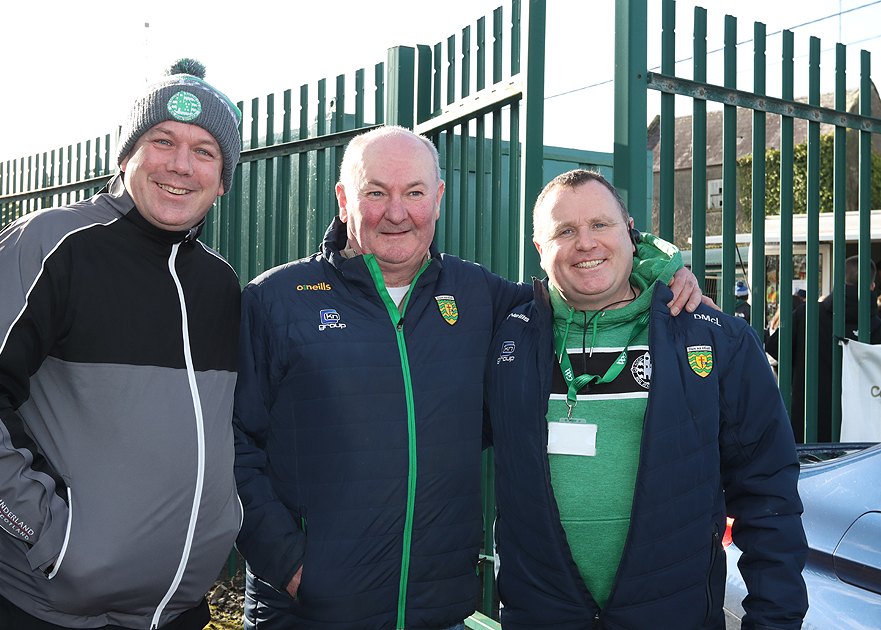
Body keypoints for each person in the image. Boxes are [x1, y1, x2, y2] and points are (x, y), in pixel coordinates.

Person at [231, 126, 708, 630]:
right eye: (376, 193)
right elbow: (230, 446)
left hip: (438, 611)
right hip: (308, 614)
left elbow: (581, 282)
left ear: (438, 199)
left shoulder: (480, 294)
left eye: (415, 193)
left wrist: (662, 271)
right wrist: (289, 565)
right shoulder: (276, 300)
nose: (397, 212)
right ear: (344, 200)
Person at [0, 59, 244, 630]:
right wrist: (48, 533)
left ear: (223, 179)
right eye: (163, 140)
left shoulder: (219, 283)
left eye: (204, 151)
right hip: (40, 608)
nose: (181, 164)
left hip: (174, 611)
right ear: (126, 155)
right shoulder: (52, 244)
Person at [485, 170, 807, 629]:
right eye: (565, 231)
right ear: (540, 248)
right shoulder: (505, 339)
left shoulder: (716, 339)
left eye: (600, 224)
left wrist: (774, 621)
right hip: (542, 617)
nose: (586, 243)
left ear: (631, 233)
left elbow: (768, 492)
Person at [766, 255, 881, 442]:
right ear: (872, 287)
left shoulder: (807, 315)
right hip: (862, 432)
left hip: (809, 425)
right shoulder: (877, 327)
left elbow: (774, 348)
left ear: (838, 281)